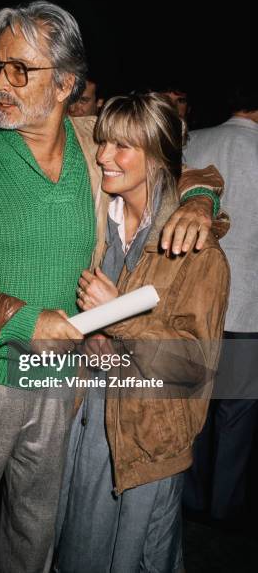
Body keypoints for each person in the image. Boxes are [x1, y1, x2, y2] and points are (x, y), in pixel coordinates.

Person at [0, 1, 226, 573]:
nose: (1, 82)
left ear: (66, 83)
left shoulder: (93, 146)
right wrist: (19, 318)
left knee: (33, 544)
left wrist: (201, 200)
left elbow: (168, 155)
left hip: (61, 389)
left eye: (20, 69)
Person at [54, 92, 230, 573]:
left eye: (122, 147)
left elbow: (193, 367)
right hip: (82, 422)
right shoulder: (96, 222)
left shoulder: (196, 252)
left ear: (157, 155)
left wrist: (121, 315)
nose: (104, 156)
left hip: (146, 442)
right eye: (103, 142)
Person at [183, 86, 258, 524]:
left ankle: (188, 494)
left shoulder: (196, 140)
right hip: (250, 307)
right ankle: (223, 503)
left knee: (194, 405)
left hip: (198, 303)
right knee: (237, 415)